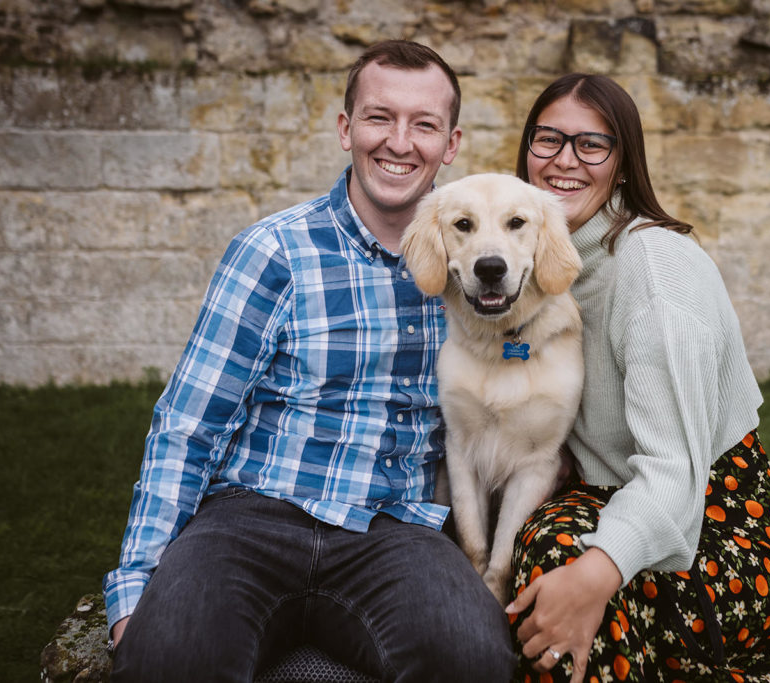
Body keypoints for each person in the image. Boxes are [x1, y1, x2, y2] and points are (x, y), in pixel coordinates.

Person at [103, 40, 516, 683]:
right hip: (250, 518)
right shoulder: (274, 251)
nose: (400, 143)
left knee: (474, 658)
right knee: (168, 659)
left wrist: (523, 355)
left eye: (424, 125)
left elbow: (514, 354)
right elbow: (190, 423)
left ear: (452, 144)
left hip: (394, 529)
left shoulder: (479, 259)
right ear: (346, 129)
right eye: (380, 118)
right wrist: (136, 588)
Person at [505, 74, 770, 683]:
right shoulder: (541, 260)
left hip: (716, 520)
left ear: (623, 164)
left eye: (591, 145)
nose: (564, 160)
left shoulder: (656, 269)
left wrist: (596, 575)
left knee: (560, 566)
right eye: (547, 140)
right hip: (607, 490)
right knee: (511, 550)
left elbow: (676, 472)